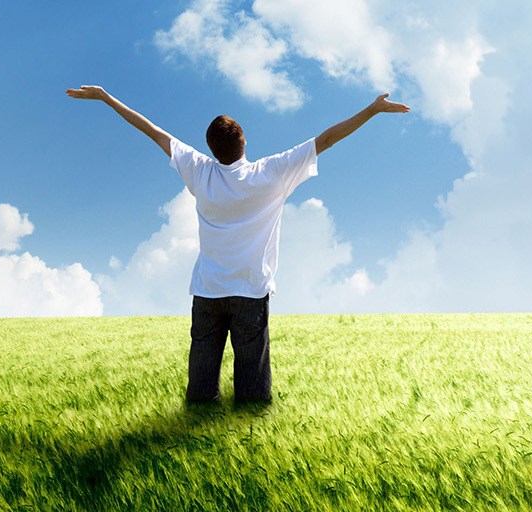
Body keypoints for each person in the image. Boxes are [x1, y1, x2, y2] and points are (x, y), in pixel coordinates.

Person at [67, 84, 410, 403]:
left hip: (208, 290)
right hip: (250, 290)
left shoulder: (199, 171)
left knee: (200, 389)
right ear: (243, 142)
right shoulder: (271, 173)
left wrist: (106, 98)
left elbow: (152, 131)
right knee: (253, 391)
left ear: (210, 149)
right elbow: (328, 138)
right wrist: (373, 109)